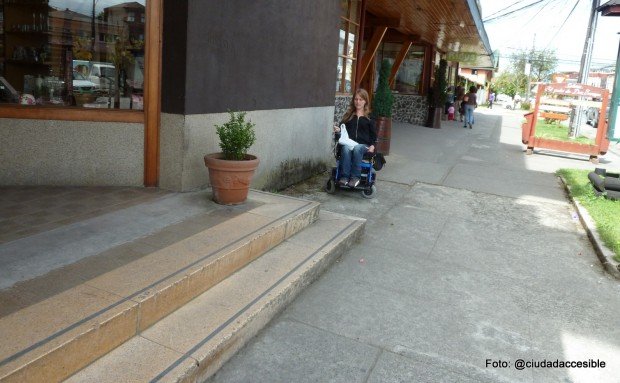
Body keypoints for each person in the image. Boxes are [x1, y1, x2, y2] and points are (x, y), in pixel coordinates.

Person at [333, 88, 377, 188]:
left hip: (364, 146)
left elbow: (374, 135)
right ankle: (344, 177)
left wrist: (373, 145)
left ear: (365, 101)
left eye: (361, 99)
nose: (358, 102)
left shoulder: (370, 117)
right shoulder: (349, 115)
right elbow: (342, 130)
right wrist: (338, 130)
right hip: (349, 143)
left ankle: (355, 178)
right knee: (345, 148)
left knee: (357, 148)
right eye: (356, 99)